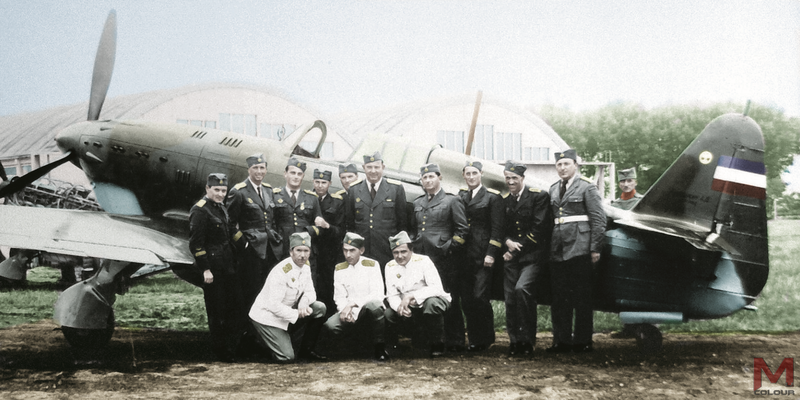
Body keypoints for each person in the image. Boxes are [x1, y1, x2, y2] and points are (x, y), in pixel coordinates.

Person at [547, 149, 606, 354]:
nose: (562, 168)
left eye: (566, 164)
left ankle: (583, 341)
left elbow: (599, 219)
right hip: (558, 249)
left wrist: (595, 248)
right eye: (559, 164)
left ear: (576, 165)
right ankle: (561, 341)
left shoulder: (587, 188)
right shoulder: (554, 189)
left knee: (582, 297)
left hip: (580, 248)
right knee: (559, 298)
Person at [412, 163, 468, 352]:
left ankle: (456, 341)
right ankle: (431, 340)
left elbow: (462, 229)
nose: (428, 181)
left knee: (449, 298)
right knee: (424, 298)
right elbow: (416, 229)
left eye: (431, 177)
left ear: (439, 178)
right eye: (424, 178)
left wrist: (450, 248)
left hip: (444, 259)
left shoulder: (452, 200)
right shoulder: (418, 203)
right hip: (422, 257)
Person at [189, 173, 245, 362]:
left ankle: (231, 348)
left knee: (234, 308)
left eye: (223, 190)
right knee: (217, 311)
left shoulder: (221, 208)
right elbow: (196, 244)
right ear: (207, 189)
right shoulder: (200, 210)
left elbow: (229, 230)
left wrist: (245, 245)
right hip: (213, 269)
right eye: (217, 190)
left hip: (228, 266)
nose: (221, 194)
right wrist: (205, 269)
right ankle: (221, 351)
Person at [249, 232, 328, 362]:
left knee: (319, 308)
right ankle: (256, 342)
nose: (302, 255)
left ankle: (306, 350)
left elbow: (310, 292)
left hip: (286, 313)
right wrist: (297, 313)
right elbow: (273, 305)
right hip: (267, 317)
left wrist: (304, 302)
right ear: (291, 252)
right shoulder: (281, 271)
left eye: (306, 251)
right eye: (298, 250)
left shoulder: (305, 267)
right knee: (287, 357)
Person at [501, 161, 552, 356]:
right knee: (510, 298)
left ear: (523, 178)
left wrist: (513, 250)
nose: (511, 181)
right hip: (511, 258)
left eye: (515, 178)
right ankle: (514, 342)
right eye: (508, 178)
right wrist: (506, 242)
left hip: (532, 257)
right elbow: (501, 229)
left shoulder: (538, 197)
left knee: (522, 290)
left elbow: (538, 230)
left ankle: (528, 341)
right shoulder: (505, 200)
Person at [458, 160, 504, 352]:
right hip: (465, 256)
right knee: (467, 299)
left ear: (481, 174)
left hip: (483, 255)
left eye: (474, 173)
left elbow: (498, 228)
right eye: (467, 174)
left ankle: (486, 337)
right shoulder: (461, 196)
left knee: (480, 297)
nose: (471, 177)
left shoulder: (492, 198)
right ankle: (475, 340)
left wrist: (491, 253)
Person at [226, 153, 281, 309]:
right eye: (255, 168)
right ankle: (249, 330)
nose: (259, 172)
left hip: (270, 249)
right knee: (251, 291)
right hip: (251, 252)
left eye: (262, 168)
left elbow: (272, 219)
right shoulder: (239, 191)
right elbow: (229, 223)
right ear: (248, 169)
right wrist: (243, 244)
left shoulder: (269, 190)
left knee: (268, 289)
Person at [322, 232, 388, 361]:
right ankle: (352, 346)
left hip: (366, 310)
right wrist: (344, 310)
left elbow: (377, 294)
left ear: (361, 250)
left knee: (375, 306)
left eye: (352, 250)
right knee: (331, 325)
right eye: (345, 250)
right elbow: (339, 296)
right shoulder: (339, 268)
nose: (348, 254)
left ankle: (379, 347)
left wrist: (352, 304)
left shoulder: (372, 265)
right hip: (348, 311)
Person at [384, 231, 451, 358]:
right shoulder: (390, 266)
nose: (400, 256)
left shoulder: (424, 261)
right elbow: (391, 295)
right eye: (396, 252)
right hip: (408, 307)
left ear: (411, 250)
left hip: (428, 301)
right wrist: (400, 307)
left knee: (432, 304)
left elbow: (436, 288)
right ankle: (393, 346)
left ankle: (437, 344)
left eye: (403, 251)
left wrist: (411, 296)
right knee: (389, 313)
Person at [345, 151, 408, 271]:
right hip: (363, 250)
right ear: (364, 168)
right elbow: (350, 223)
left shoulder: (396, 189)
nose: (373, 171)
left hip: (387, 249)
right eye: (369, 167)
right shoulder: (354, 189)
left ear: (383, 167)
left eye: (376, 167)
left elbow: (402, 224)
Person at [272, 157, 329, 262]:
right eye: (293, 173)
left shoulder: (311, 198)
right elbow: (270, 222)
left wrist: (308, 231)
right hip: (281, 249)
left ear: (303, 176)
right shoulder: (274, 195)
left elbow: (320, 227)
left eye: (299, 174)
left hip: (305, 251)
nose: (296, 177)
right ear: (285, 174)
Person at [312, 168, 345, 314]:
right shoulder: (306, 198)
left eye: (323, 182)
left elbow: (340, 231)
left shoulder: (337, 203)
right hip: (310, 250)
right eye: (317, 182)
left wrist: (327, 226)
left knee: (327, 288)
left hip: (328, 253)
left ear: (330, 183)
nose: (320, 185)